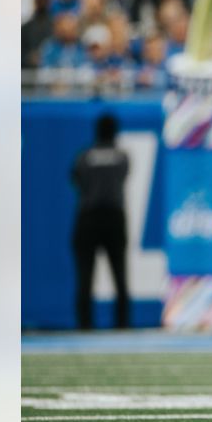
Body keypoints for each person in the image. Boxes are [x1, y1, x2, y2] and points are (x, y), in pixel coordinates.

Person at [70, 114, 132, 330]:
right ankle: (122, 325)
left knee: (85, 276)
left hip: (88, 217)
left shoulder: (85, 156)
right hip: (114, 217)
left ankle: (85, 326)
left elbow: (76, 180)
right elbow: (124, 176)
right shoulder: (122, 156)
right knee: (120, 274)